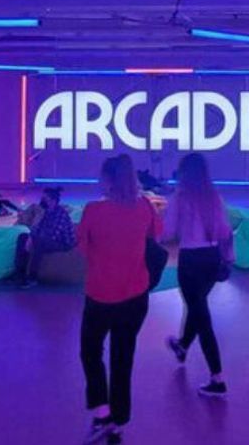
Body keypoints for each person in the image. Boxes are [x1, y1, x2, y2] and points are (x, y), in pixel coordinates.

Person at [77, 154, 159, 444]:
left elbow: (82, 248)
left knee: (90, 352)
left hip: (100, 296)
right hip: (136, 296)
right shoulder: (146, 206)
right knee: (123, 358)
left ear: (108, 179)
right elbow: (155, 235)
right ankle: (120, 421)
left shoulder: (93, 211)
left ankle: (102, 412)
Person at [160, 153, 233, 398]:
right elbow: (225, 230)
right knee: (197, 307)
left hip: (190, 261)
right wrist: (228, 258)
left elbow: (167, 232)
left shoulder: (180, 198)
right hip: (212, 259)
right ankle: (182, 347)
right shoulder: (214, 196)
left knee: (201, 317)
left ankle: (217, 377)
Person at [12, 187, 76, 289]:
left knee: (39, 242)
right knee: (22, 237)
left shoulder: (60, 213)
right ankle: (20, 274)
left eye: (45, 199)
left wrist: (33, 238)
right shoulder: (45, 212)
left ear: (53, 201)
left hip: (63, 242)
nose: (43, 201)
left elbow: (53, 235)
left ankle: (33, 278)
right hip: (47, 238)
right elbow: (37, 228)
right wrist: (30, 237)